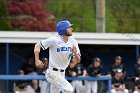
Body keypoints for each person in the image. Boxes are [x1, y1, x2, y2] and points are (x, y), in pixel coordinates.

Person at [34, 20, 81, 93]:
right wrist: (37, 60)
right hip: (53, 72)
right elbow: (38, 45)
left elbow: (78, 60)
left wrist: (75, 54)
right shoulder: (54, 39)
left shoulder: (73, 41)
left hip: (62, 73)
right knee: (69, 89)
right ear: (63, 29)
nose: (72, 29)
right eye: (69, 27)